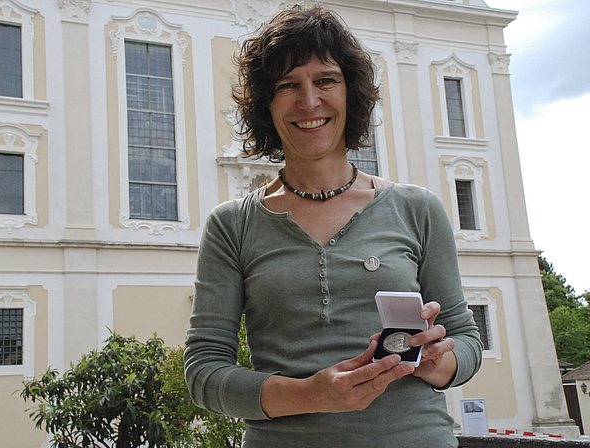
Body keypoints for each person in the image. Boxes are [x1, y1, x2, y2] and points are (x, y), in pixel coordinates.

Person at [184, 3, 483, 447]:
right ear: (266, 105)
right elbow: (204, 371)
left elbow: (466, 340)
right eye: (288, 85)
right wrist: (310, 393)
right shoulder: (232, 226)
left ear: (352, 93)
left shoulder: (416, 208)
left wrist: (438, 361)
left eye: (326, 80)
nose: (309, 101)